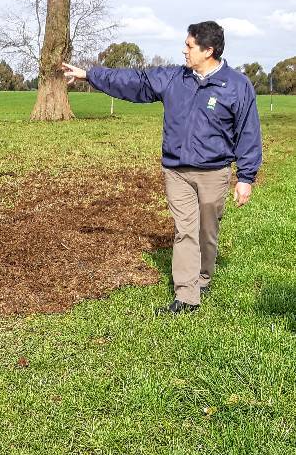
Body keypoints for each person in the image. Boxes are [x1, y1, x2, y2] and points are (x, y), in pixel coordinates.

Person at [62, 21, 262, 315]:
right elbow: (134, 81)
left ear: (208, 50)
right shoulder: (173, 77)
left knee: (207, 230)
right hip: (176, 171)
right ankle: (186, 296)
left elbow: (248, 131)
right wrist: (90, 75)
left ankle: (203, 277)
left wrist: (245, 177)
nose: (184, 50)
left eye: (190, 45)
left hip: (214, 172)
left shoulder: (236, 85)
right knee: (185, 230)